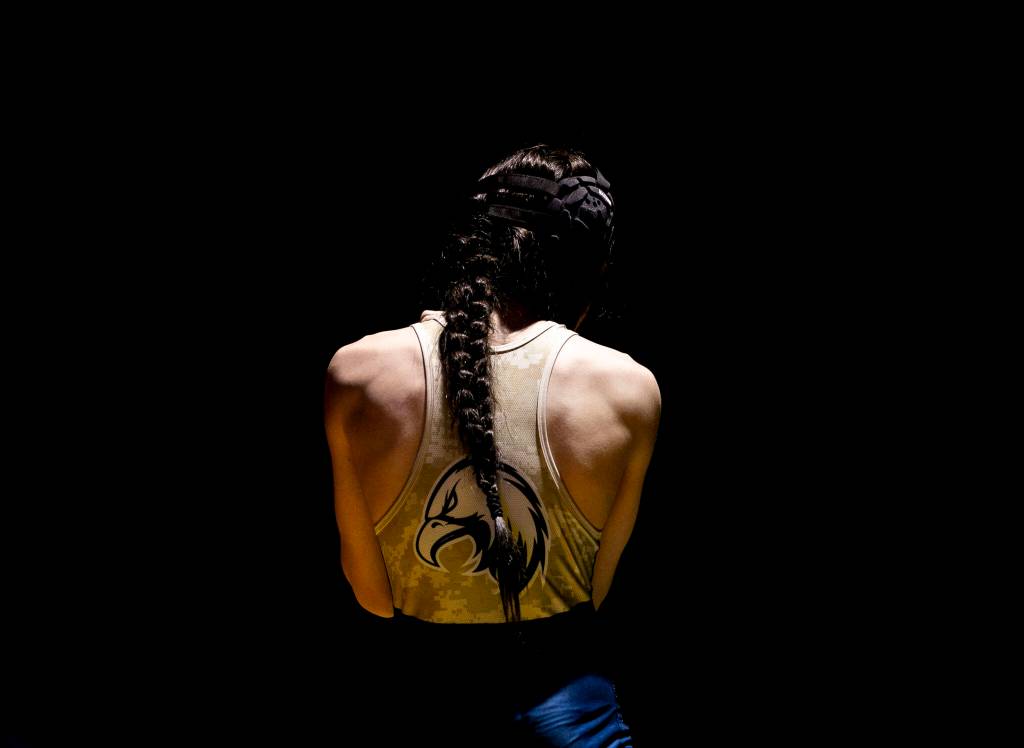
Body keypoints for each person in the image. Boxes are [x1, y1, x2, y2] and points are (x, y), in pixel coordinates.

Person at [323, 144, 660, 745]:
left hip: (419, 709)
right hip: (569, 723)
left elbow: (373, 598)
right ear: (590, 269)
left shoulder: (356, 375)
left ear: (471, 246)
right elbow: (598, 592)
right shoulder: (628, 389)